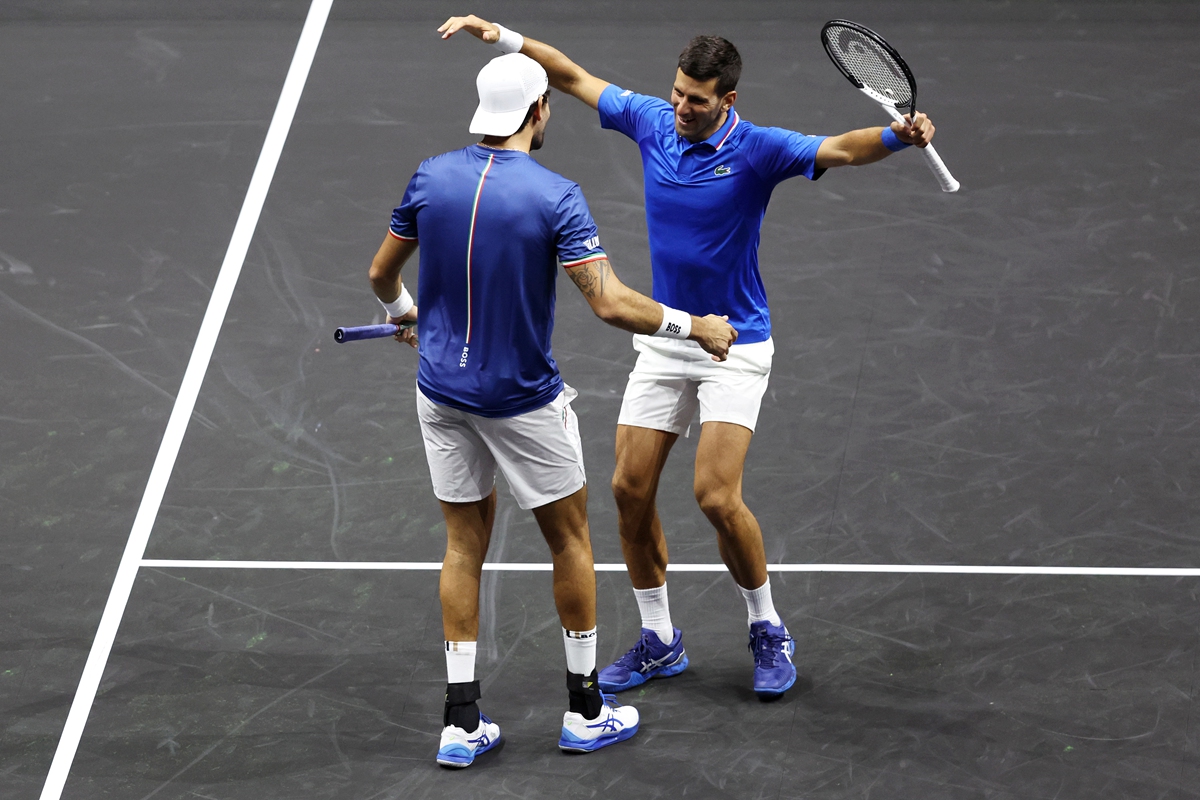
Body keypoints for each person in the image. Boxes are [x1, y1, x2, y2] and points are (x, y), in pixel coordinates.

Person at [438, 15, 938, 699]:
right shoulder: (651, 121)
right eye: (676, 92)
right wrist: (500, 35)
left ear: (726, 100)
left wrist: (896, 136)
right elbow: (571, 74)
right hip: (669, 337)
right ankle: (659, 639)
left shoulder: (759, 149)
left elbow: (841, 150)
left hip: (735, 342)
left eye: (696, 100)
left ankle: (766, 625)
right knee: (628, 489)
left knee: (716, 495)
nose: (680, 107)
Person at [367, 52, 736, 767]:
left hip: (441, 393)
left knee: (462, 546)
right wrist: (696, 326)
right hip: (521, 403)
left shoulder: (430, 176)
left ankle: (461, 723)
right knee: (569, 542)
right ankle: (586, 711)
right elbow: (610, 303)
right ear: (538, 110)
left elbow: (382, 273)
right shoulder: (555, 195)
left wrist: (407, 315)